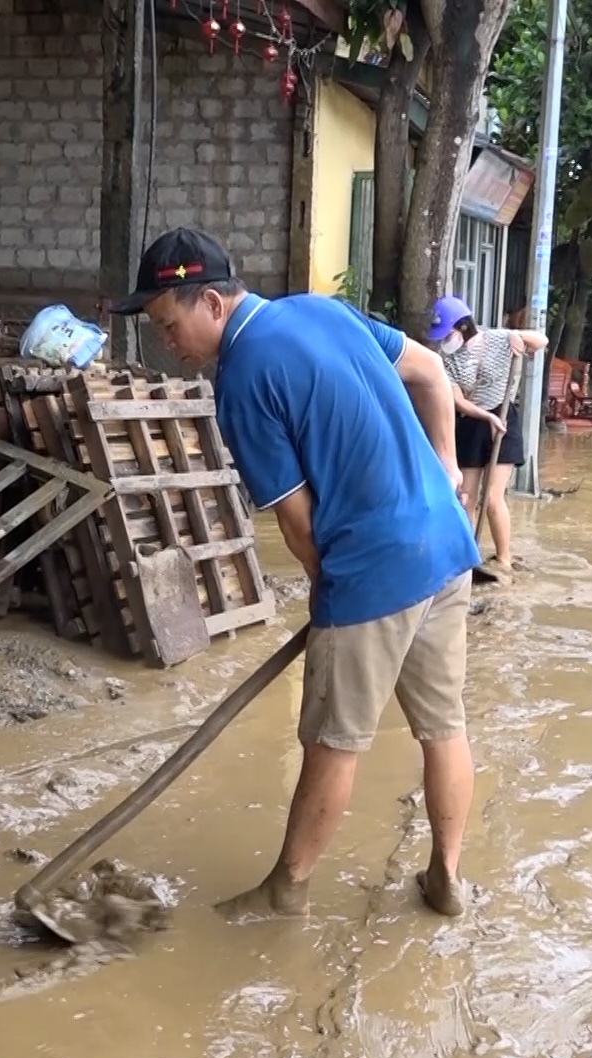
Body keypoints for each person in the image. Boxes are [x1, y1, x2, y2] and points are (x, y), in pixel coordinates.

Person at [111, 228, 481, 919]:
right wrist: (445, 467)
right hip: (447, 548)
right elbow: (431, 370)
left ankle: (287, 891)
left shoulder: (243, 377)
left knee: (332, 743)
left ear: (213, 304)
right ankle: (447, 880)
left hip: (373, 569)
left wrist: (328, 592)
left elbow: (298, 522)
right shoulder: (323, 310)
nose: (167, 344)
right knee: (444, 728)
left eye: (168, 324)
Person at [425, 296, 546, 582]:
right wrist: (486, 416)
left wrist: (519, 335)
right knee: (466, 497)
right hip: (472, 423)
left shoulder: (498, 338)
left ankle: (504, 559)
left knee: (493, 498)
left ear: (463, 326)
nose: (445, 340)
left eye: (448, 333)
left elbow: (541, 341)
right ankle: (466, 559)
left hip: (503, 420)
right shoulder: (447, 359)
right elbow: (458, 402)